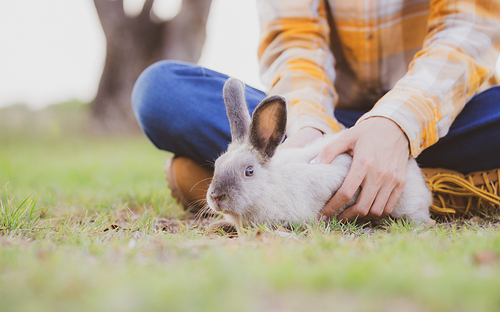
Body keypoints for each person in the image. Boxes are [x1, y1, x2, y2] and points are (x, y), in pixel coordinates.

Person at [132, 0, 500, 220]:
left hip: (438, 114)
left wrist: (396, 123)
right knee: (161, 91)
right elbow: (294, 38)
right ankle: (389, 185)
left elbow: (467, 29)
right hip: (326, 132)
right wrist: (308, 129)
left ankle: (419, 184)